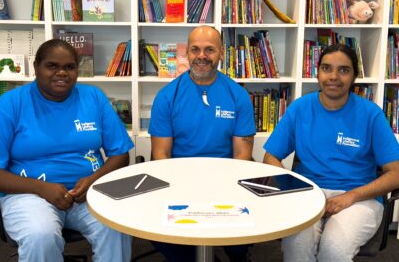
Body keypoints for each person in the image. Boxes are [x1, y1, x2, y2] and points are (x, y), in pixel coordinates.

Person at [0, 39, 133, 262]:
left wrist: (92, 180)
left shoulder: (94, 97)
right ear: (36, 67)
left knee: (117, 225)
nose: (61, 73)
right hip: (28, 194)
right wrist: (41, 188)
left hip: (89, 194)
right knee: (40, 235)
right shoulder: (9, 103)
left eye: (69, 67)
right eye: (52, 66)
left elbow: (120, 154)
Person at [263, 43, 399, 262]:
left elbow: (396, 173)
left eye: (343, 70)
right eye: (327, 68)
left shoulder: (371, 114)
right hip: (308, 195)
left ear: (354, 76)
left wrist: (350, 197)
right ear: (318, 72)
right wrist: (297, 190)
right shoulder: (300, 108)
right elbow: (270, 157)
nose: (334, 76)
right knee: (297, 247)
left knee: (333, 250)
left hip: (359, 198)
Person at [149, 25, 256, 261]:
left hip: (226, 183)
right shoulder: (167, 96)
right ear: (187, 53)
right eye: (195, 49)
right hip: (178, 182)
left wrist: (222, 189)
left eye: (209, 50)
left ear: (221, 53)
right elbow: (161, 157)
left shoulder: (237, 95)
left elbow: (242, 156)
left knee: (242, 237)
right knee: (162, 235)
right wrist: (183, 189)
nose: (201, 56)